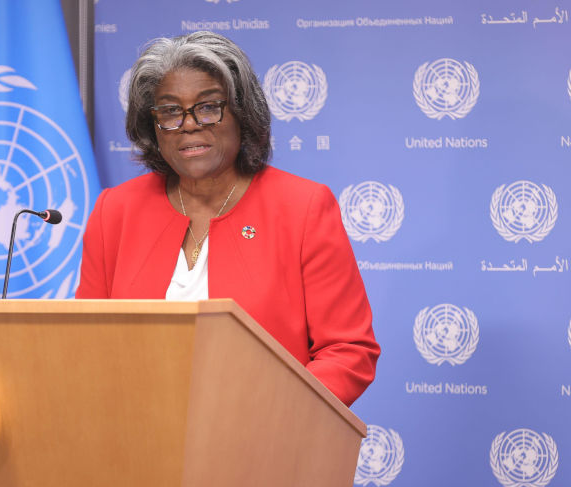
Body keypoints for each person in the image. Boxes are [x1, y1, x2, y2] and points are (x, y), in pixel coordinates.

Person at [76, 31, 379, 407]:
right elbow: (85, 342)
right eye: (170, 110)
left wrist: (274, 413)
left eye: (207, 106)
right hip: (136, 440)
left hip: (266, 439)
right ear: (153, 126)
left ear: (242, 114)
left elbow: (348, 350)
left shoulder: (302, 207)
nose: (188, 124)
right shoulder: (115, 211)